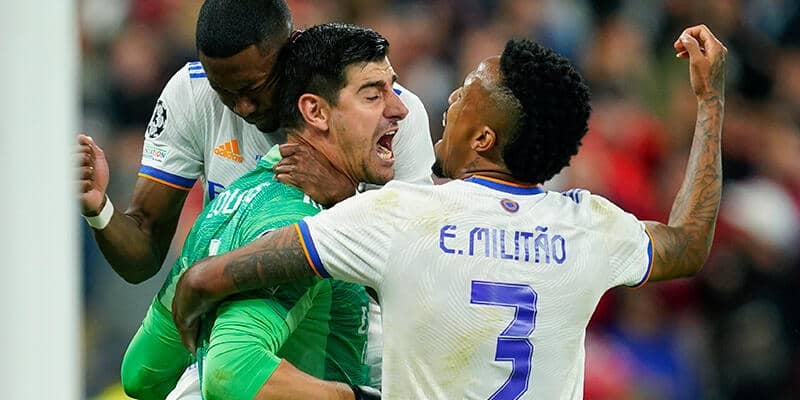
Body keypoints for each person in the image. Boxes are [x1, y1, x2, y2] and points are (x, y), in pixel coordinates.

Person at [172, 25, 727, 399]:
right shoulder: (588, 227)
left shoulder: (400, 215)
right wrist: (710, 101)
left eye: (465, 93)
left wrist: (196, 283)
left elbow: (217, 276)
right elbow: (688, 242)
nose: (449, 102)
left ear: (483, 139)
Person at [76, 0, 432, 393]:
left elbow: (422, 282)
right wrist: (100, 209)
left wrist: (342, 202)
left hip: (356, 354)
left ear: (291, 52)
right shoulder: (192, 94)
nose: (242, 107)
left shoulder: (391, 117)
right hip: (308, 373)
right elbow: (229, 370)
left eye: (254, 88)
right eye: (224, 92)